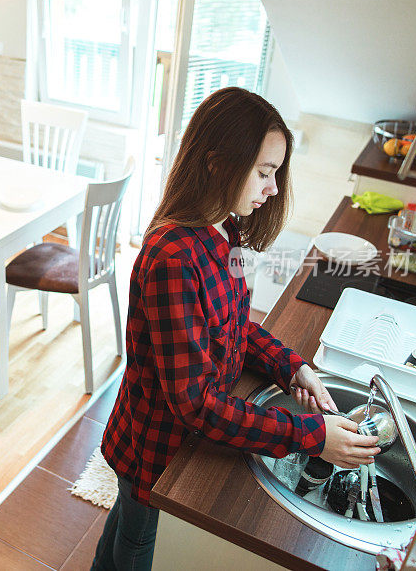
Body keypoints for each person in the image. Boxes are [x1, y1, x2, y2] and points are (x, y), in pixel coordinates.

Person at [91, 87, 381, 571]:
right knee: (138, 540)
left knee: (128, 522)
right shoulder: (172, 259)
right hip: (157, 445)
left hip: (178, 440)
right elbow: (196, 406)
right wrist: (312, 436)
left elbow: (236, 324)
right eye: (265, 173)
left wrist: (294, 369)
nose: (271, 189)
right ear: (216, 163)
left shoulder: (229, 229)